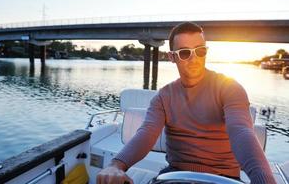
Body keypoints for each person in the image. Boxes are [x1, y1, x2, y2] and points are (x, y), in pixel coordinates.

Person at [96, 22, 276, 184]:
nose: (194, 58)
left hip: (223, 179)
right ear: (172, 57)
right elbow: (147, 133)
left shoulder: (229, 88)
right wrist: (116, 165)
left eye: (200, 50)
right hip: (174, 176)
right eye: (184, 53)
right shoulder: (163, 97)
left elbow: (241, 131)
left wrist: (264, 179)